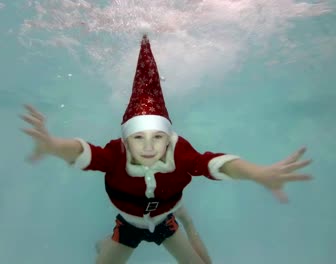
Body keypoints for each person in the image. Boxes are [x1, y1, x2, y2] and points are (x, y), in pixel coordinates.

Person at [21, 34, 312, 264]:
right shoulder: (116, 153)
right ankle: (108, 243)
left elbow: (215, 164)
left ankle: (187, 220)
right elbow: (84, 153)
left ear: (168, 137)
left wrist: (257, 173)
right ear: (126, 140)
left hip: (165, 220)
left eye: (157, 138)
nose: (148, 146)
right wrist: (53, 145)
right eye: (138, 138)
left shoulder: (181, 153)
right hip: (129, 224)